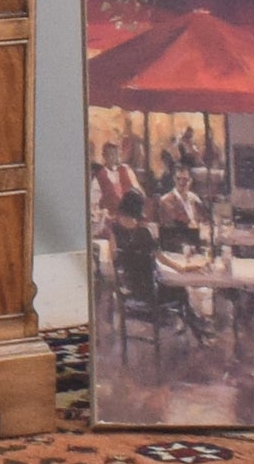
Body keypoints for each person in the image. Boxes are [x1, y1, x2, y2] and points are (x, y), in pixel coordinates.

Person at [109, 189, 210, 344]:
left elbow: (115, 257)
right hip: (151, 292)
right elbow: (162, 259)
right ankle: (199, 333)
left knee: (173, 290)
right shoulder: (143, 232)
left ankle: (198, 330)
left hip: (130, 288)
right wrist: (184, 268)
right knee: (181, 292)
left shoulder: (114, 228)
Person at [90, 141, 142, 235]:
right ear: (104, 156)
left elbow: (137, 192)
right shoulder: (100, 177)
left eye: (114, 154)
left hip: (131, 218)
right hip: (112, 221)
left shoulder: (125, 171)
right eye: (109, 155)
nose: (112, 158)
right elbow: (93, 204)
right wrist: (103, 214)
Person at [156, 165, 205, 253]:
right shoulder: (166, 200)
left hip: (195, 246)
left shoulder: (195, 199)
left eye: (185, 179)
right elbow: (177, 224)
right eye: (178, 179)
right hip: (175, 248)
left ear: (190, 180)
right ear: (174, 179)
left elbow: (202, 220)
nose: (182, 182)